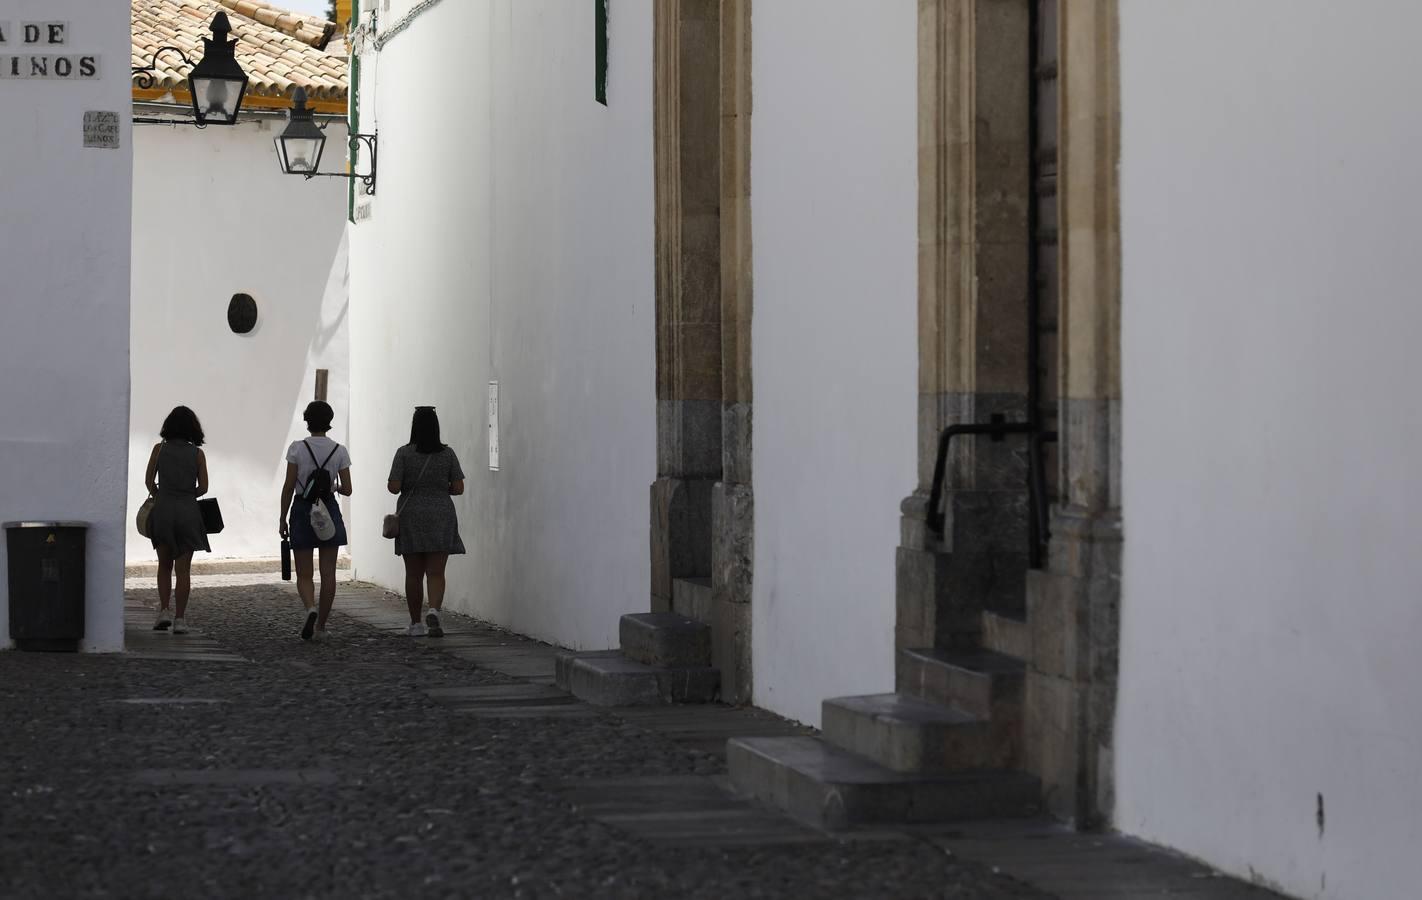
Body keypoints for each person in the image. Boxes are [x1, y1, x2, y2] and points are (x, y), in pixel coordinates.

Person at [387, 406, 465, 637]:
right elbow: (459, 487)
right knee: (436, 572)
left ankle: (416, 624)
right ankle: (434, 610)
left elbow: (394, 487)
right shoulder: (448, 454)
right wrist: (440, 488)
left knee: (413, 573)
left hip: (411, 514)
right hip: (441, 513)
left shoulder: (403, 453)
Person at [279, 401, 352, 641]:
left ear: (307, 420)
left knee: (304, 573)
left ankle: (310, 606)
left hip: (302, 507)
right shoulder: (339, 450)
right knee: (329, 573)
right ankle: (321, 625)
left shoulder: (297, 448)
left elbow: (289, 486)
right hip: (328, 508)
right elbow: (348, 489)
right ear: (329, 421)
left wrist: (282, 517)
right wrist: (332, 485)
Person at [143, 406, 211, 634]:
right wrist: (187, 493)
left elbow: (148, 482)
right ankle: (180, 619)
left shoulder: (158, 450)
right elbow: (203, 487)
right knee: (183, 570)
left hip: (163, 510)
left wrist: (161, 493)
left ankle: (164, 610)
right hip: (188, 511)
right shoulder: (197, 454)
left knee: (164, 565)